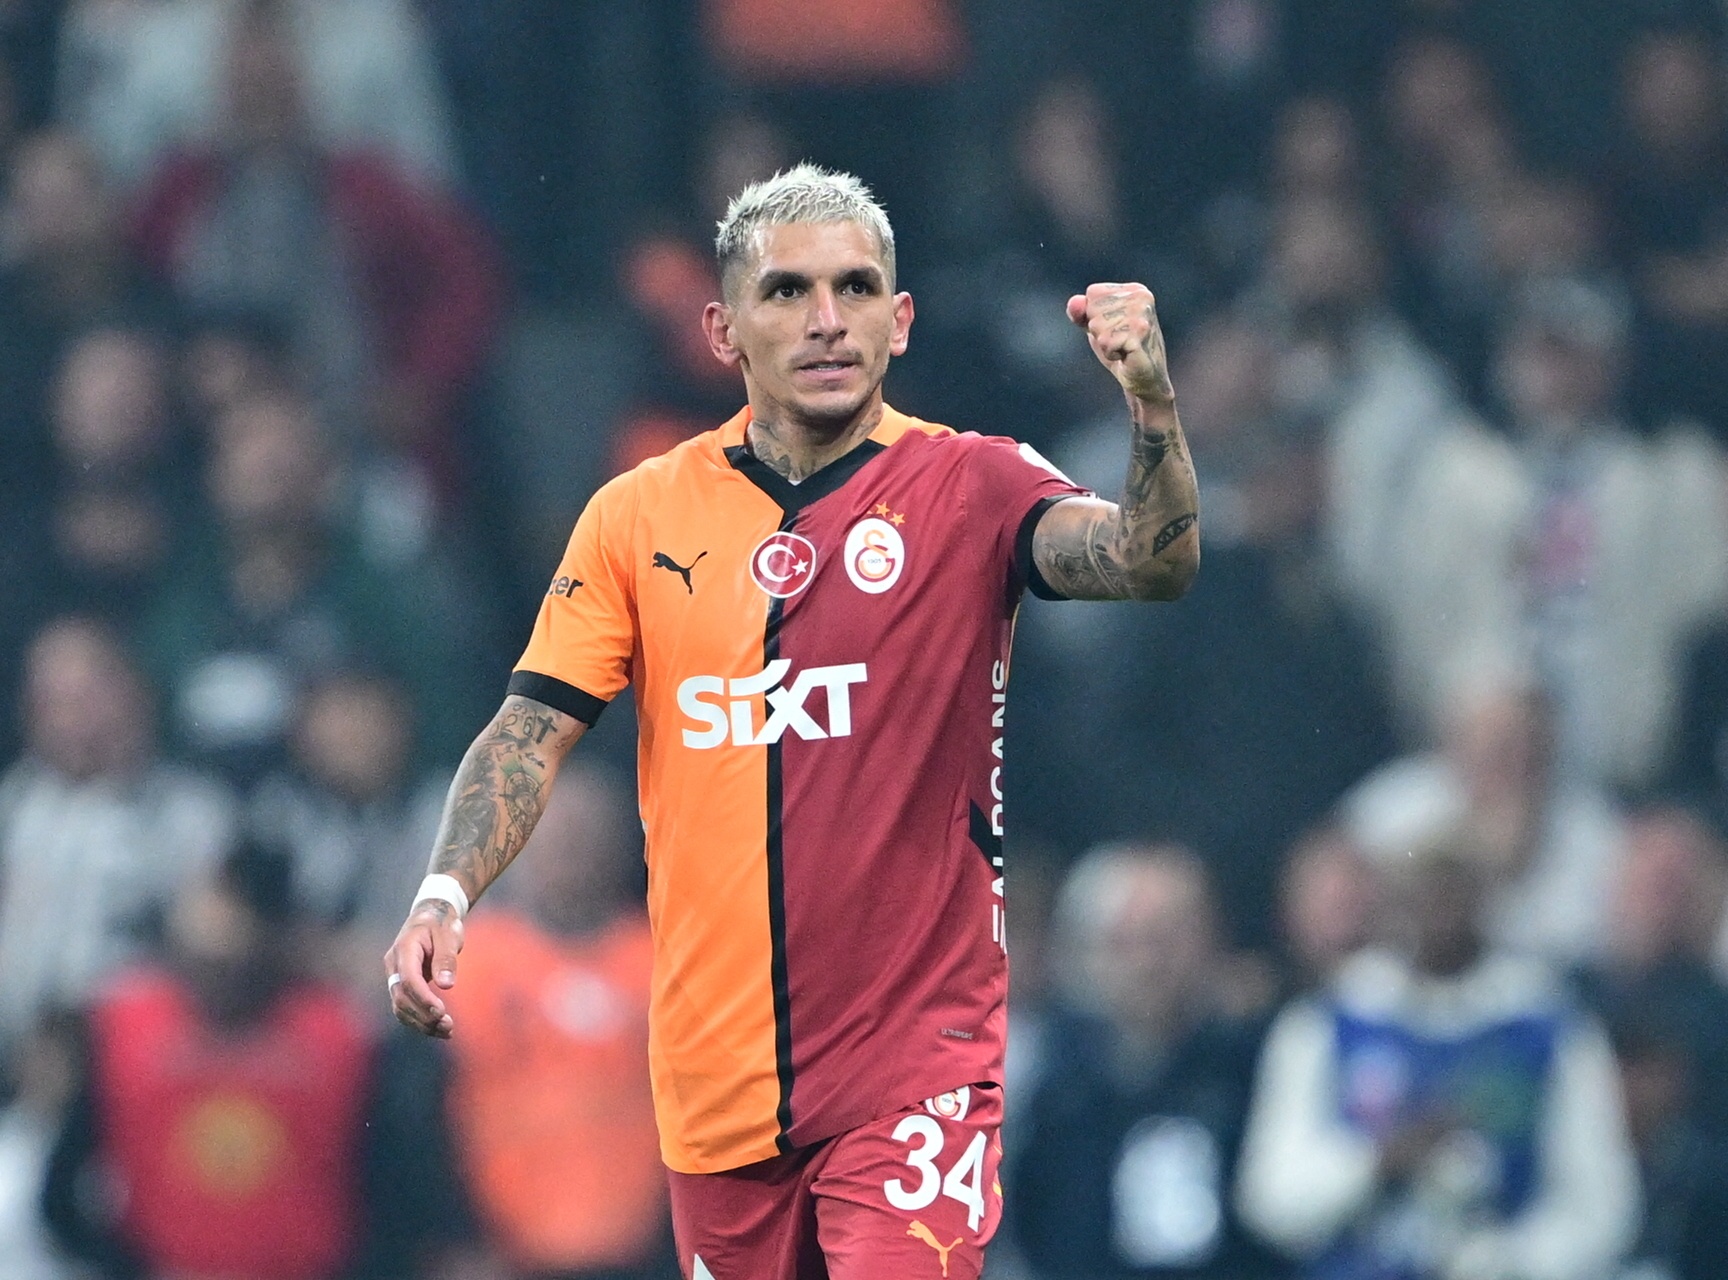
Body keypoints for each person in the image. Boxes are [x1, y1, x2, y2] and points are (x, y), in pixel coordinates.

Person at [386, 164, 1201, 1280]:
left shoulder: (971, 485)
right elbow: (530, 730)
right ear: (722, 330)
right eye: (787, 291)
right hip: (718, 1087)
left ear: (899, 320)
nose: (828, 320)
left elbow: (1151, 562)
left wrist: (1153, 405)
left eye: (856, 288)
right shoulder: (637, 516)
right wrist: (444, 894)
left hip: (914, 1073)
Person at [1236, 837, 1640, 1280]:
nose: (1436, 911)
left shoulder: (1549, 1029)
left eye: (1451, 890)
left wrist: (1511, 1261)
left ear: (1485, 898)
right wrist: (1375, 1164)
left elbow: (1603, 1208)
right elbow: (1269, 1199)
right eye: (1420, 892)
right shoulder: (1327, 1024)